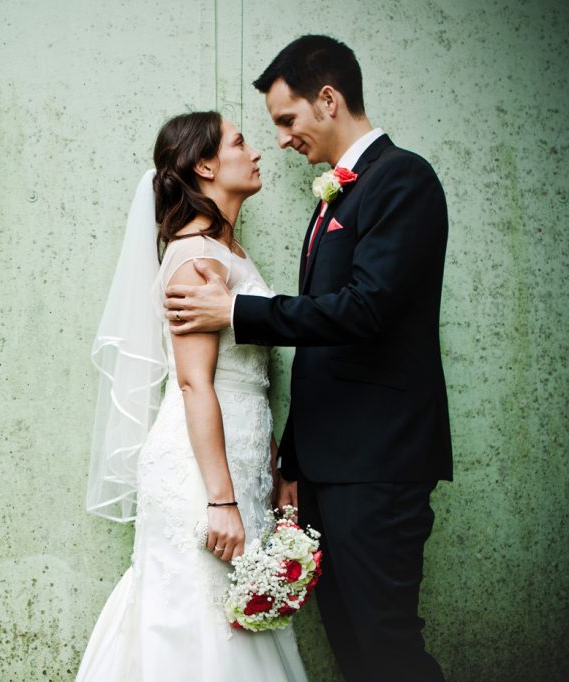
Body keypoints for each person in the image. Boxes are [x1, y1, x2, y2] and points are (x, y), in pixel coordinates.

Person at [164, 35, 451, 681]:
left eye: (287, 120)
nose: (283, 139)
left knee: (387, 643)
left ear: (328, 99)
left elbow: (365, 311)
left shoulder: (402, 179)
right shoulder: (335, 198)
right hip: (330, 468)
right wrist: (295, 458)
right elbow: (324, 351)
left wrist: (236, 313)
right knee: (354, 646)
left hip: (379, 462)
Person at [78, 111, 307, 681]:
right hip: (201, 474)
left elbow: (251, 378)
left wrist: (276, 466)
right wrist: (221, 500)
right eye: (239, 142)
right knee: (194, 618)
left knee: (234, 617)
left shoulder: (231, 252)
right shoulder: (195, 256)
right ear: (205, 165)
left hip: (242, 460)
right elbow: (194, 382)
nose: (256, 152)